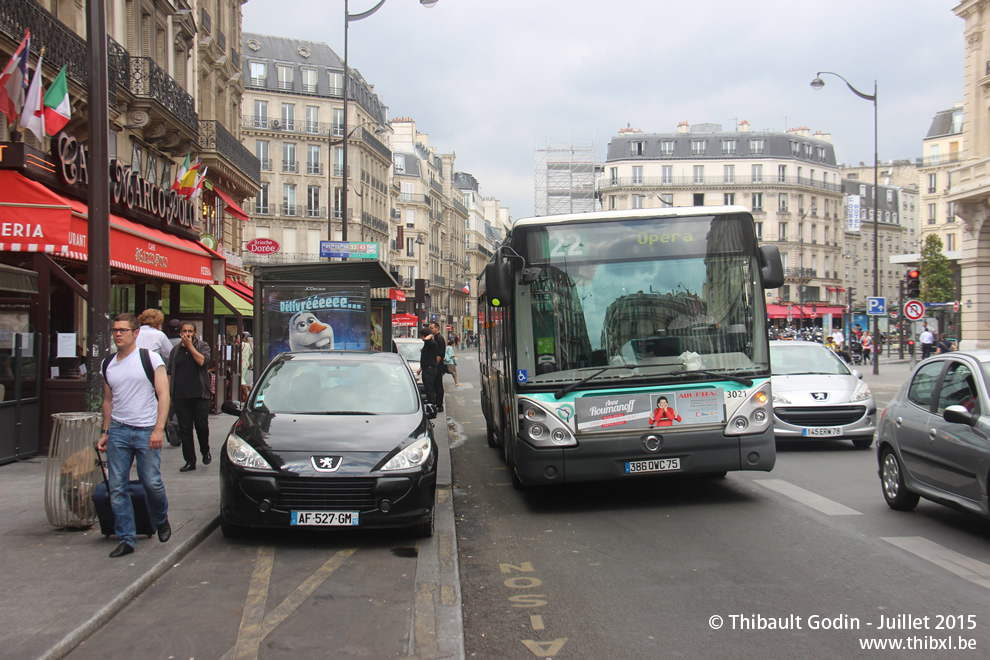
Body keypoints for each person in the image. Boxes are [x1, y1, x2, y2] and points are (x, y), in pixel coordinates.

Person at [98, 313, 171, 558]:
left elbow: (164, 395)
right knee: (116, 487)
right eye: (115, 330)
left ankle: (161, 518)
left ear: (136, 333)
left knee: (151, 482)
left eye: (123, 330)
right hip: (118, 430)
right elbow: (108, 400)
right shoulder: (108, 363)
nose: (118, 334)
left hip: (146, 430)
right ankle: (126, 538)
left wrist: (159, 429)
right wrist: (106, 431)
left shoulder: (150, 359)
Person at [167, 322, 212, 472]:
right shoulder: (175, 350)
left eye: (190, 331)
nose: (187, 334)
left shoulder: (202, 346)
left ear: (195, 332)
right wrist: (169, 394)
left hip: (199, 394)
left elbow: (202, 361)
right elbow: (170, 373)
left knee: (201, 426)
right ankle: (189, 460)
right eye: (184, 331)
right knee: (185, 429)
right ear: (180, 332)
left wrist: (190, 346)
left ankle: (205, 450)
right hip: (181, 395)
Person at [415, 325, 440, 406]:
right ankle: (430, 402)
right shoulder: (427, 344)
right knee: (427, 387)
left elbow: (431, 343)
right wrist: (421, 368)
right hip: (426, 368)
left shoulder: (432, 343)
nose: (421, 337)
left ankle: (431, 403)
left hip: (430, 369)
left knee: (429, 388)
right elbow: (426, 357)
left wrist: (428, 337)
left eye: (422, 335)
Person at [429, 322, 447, 411]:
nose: (431, 330)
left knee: (438, 385)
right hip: (436, 366)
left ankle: (439, 404)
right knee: (435, 385)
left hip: (438, 366)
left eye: (432, 328)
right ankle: (437, 403)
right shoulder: (435, 338)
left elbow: (440, 354)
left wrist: (434, 364)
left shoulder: (439, 339)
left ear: (437, 328)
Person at [240, 332, 254, 402]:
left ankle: (246, 397)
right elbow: (251, 354)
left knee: (242, 381)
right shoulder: (248, 345)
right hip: (247, 364)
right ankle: (249, 396)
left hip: (240, 364)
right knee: (248, 382)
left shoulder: (240, 345)